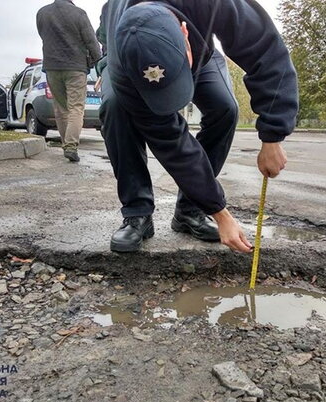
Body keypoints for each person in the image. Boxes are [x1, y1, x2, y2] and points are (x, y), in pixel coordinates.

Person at [97, 0, 298, 253]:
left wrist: (273, 135)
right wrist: (220, 213)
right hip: (130, 58)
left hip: (201, 51)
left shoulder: (214, 4)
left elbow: (266, 52)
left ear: (184, 31)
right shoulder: (122, 54)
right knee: (116, 108)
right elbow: (171, 142)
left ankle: (189, 211)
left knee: (225, 108)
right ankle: (137, 212)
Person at [36, 0, 102, 162]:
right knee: (76, 108)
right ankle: (71, 146)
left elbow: (43, 35)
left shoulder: (42, 13)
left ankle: (67, 144)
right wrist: (99, 64)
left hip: (51, 66)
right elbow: (91, 41)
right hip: (75, 67)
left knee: (60, 108)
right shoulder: (79, 13)